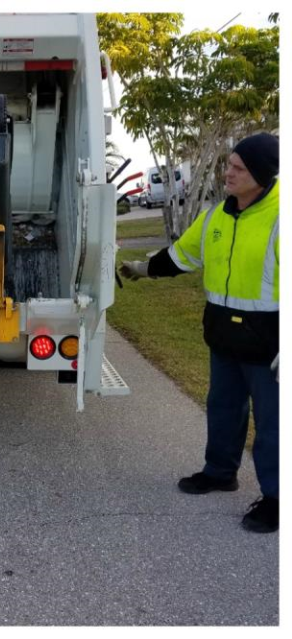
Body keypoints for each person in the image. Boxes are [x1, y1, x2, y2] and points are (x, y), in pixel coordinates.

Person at [120, 133, 278, 534]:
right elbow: (182, 256)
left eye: (238, 168)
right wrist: (142, 269)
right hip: (224, 336)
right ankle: (220, 472)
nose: (228, 173)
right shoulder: (215, 216)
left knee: (275, 423)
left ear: (261, 175)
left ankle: (277, 499)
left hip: (271, 344)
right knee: (223, 408)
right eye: (229, 165)